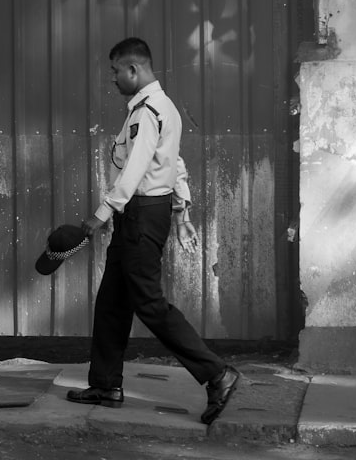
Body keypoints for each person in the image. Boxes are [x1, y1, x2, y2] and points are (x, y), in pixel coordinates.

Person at [66, 37, 239, 425]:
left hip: (141, 214)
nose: (112, 78)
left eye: (116, 71)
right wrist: (181, 210)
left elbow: (136, 168)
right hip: (145, 213)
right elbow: (174, 162)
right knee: (112, 301)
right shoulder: (163, 108)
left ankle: (217, 374)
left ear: (134, 69)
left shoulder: (147, 113)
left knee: (149, 303)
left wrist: (101, 213)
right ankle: (105, 384)